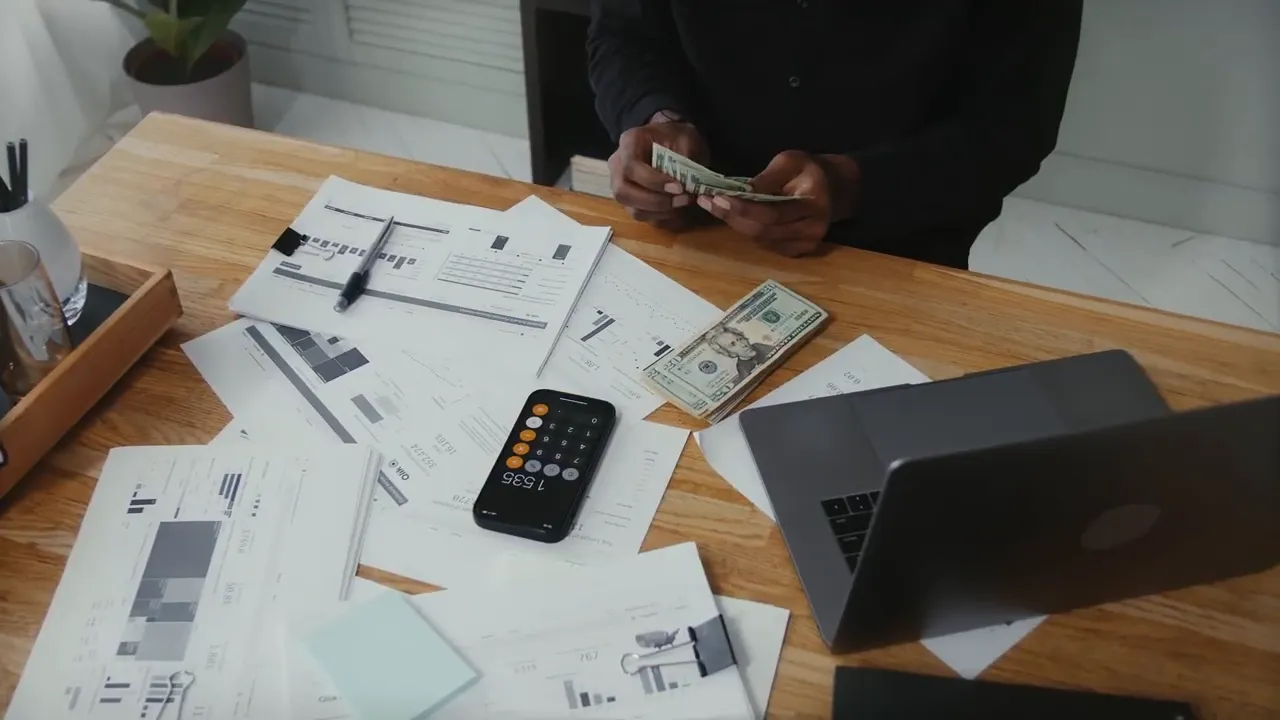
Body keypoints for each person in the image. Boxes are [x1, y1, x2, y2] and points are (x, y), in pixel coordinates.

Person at [586, 1, 1083, 269]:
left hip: (893, 253)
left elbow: (1015, 125)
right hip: (688, 235)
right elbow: (623, 34)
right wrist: (655, 115)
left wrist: (853, 186)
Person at [705, 325, 774, 385]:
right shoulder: (742, 367)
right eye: (733, 344)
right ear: (729, 353)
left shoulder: (758, 346)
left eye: (740, 339)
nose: (743, 345)